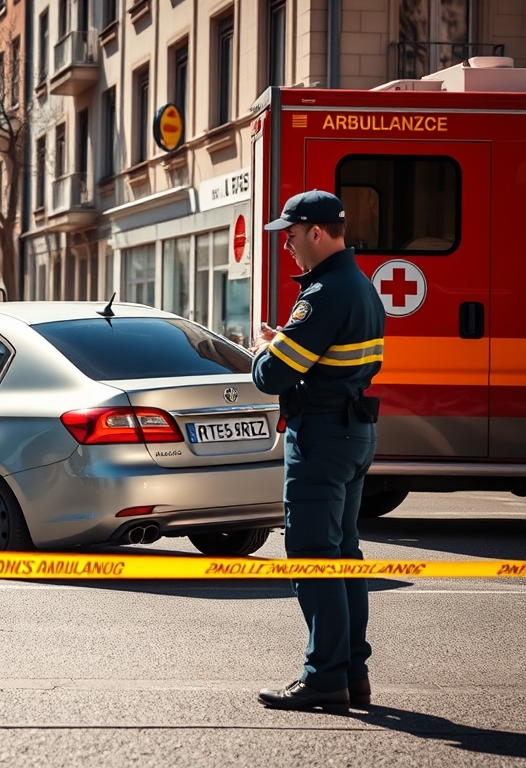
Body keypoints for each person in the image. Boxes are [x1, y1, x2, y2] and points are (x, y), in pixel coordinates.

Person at [250, 191, 385, 713]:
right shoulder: (361, 286)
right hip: (352, 432)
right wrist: (289, 340)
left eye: (290, 233)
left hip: (323, 438)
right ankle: (352, 671)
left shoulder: (325, 293)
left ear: (316, 232)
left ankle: (324, 676)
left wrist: (270, 348)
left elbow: (272, 376)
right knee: (344, 556)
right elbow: (324, 355)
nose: (286, 244)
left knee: (313, 558)